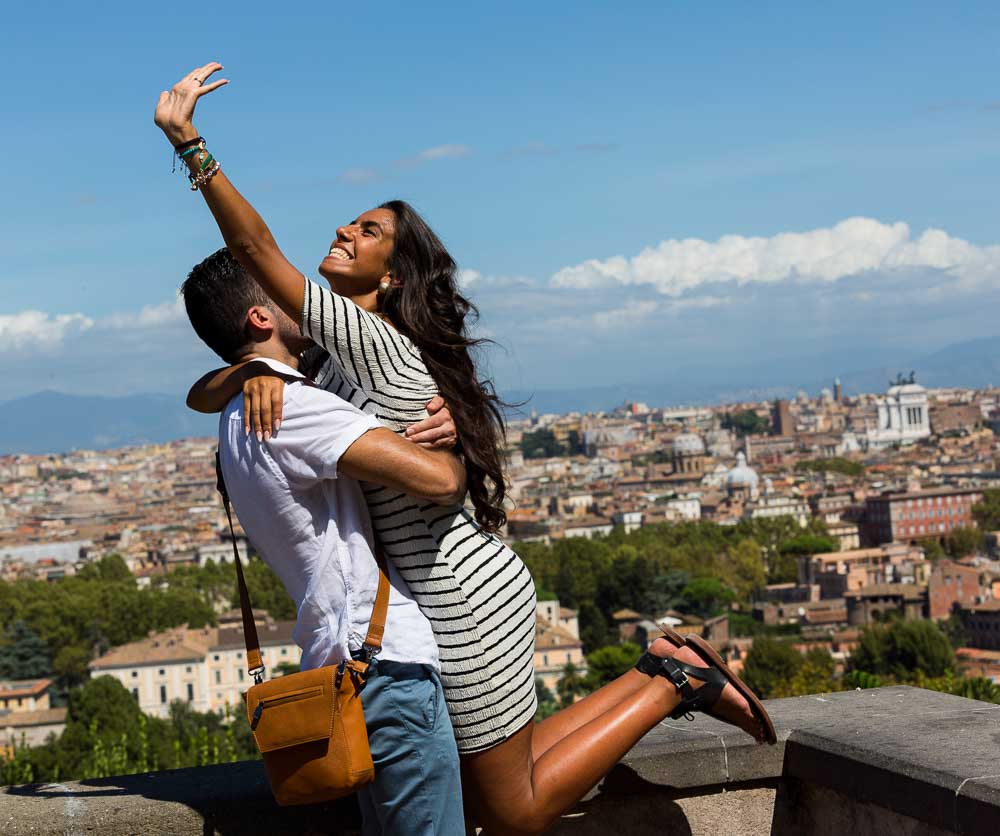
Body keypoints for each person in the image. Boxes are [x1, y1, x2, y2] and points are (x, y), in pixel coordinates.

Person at [157, 63, 775, 835]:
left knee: (510, 812)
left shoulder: (371, 339)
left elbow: (254, 248)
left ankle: (670, 684)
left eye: (370, 231)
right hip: (453, 591)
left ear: (390, 278)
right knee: (497, 790)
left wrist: (191, 146)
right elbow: (235, 371)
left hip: (460, 598)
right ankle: (666, 669)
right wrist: (242, 374)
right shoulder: (327, 361)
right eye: (353, 220)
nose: (346, 230)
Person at [180, 249, 465, 835]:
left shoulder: (236, 414)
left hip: (339, 671)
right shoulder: (294, 409)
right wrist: (454, 451)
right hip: (384, 669)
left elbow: (200, 392)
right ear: (263, 318)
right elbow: (439, 483)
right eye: (286, 290)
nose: (303, 296)